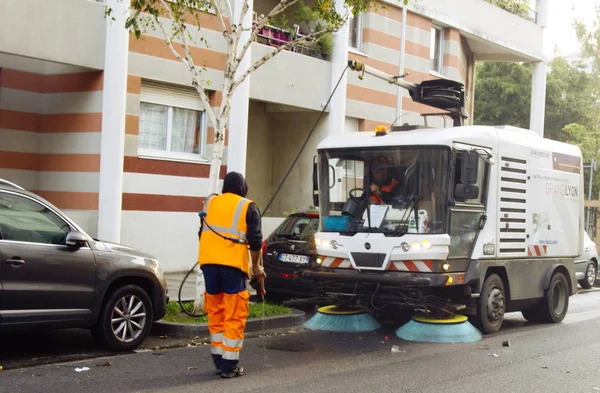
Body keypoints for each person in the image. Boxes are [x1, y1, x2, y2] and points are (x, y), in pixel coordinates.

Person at [198, 172, 266, 379]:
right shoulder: (248, 206)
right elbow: (255, 242)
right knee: (234, 313)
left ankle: (219, 360)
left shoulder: (210, 204)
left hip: (208, 264)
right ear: (243, 188)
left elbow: (201, 233)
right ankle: (229, 365)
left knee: (216, 310)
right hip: (232, 266)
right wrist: (256, 267)